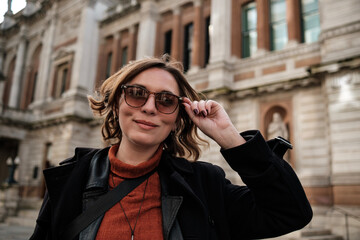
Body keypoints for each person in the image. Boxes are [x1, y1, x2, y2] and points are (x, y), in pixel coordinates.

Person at [30, 56, 312, 240]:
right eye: (137, 94)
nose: (150, 108)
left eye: (166, 100)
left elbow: (289, 213)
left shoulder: (204, 184)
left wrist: (230, 137)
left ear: (178, 119)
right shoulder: (70, 178)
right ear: (116, 104)